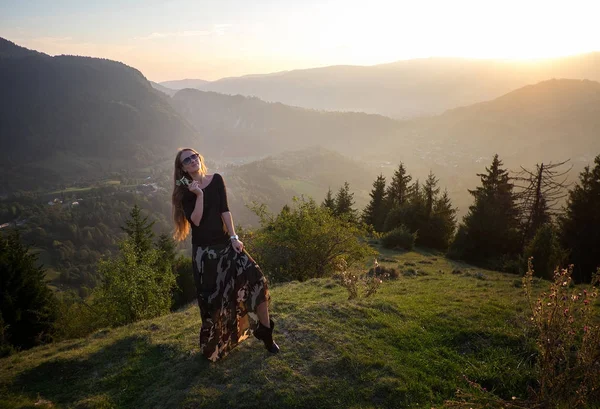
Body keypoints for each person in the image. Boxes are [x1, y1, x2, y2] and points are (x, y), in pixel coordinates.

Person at [172, 148, 279, 361]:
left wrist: (233, 237)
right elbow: (196, 221)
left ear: (200, 158)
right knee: (216, 303)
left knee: (257, 279)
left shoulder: (217, 179)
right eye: (187, 160)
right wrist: (199, 195)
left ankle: (266, 332)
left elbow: (225, 210)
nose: (193, 161)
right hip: (205, 255)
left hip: (226, 245)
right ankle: (217, 346)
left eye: (195, 156)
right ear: (182, 168)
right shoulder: (185, 192)